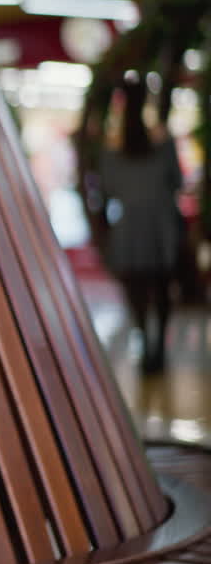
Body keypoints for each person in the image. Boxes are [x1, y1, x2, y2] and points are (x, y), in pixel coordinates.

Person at [99, 77, 184, 375]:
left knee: (135, 285)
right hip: (160, 223)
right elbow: (177, 181)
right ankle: (158, 347)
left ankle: (145, 342)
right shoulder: (162, 140)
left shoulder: (112, 146)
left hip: (129, 225)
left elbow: (108, 189)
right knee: (161, 286)